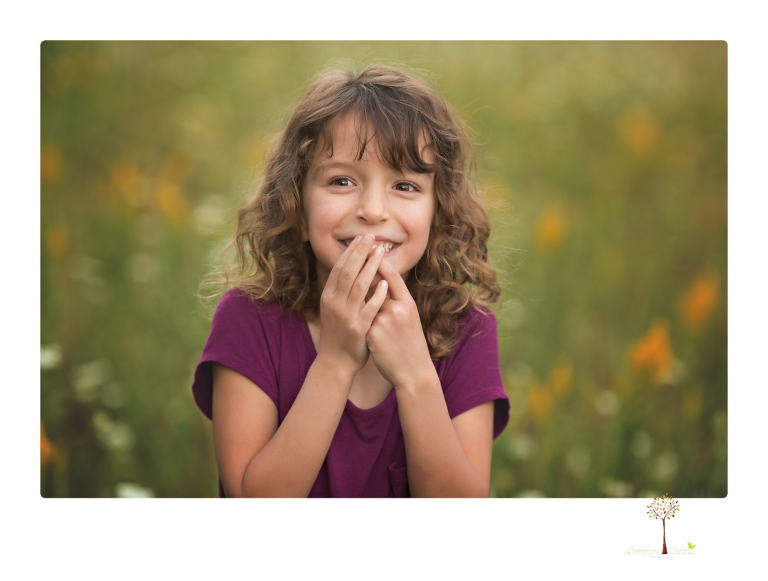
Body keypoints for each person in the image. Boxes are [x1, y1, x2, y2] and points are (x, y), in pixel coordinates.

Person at [192, 64, 510, 497]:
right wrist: (336, 361)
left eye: (405, 185)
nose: (374, 210)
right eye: (341, 180)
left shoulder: (466, 331)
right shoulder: (249, 321)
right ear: (296, 208)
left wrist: (416, 375)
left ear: (440, 214)